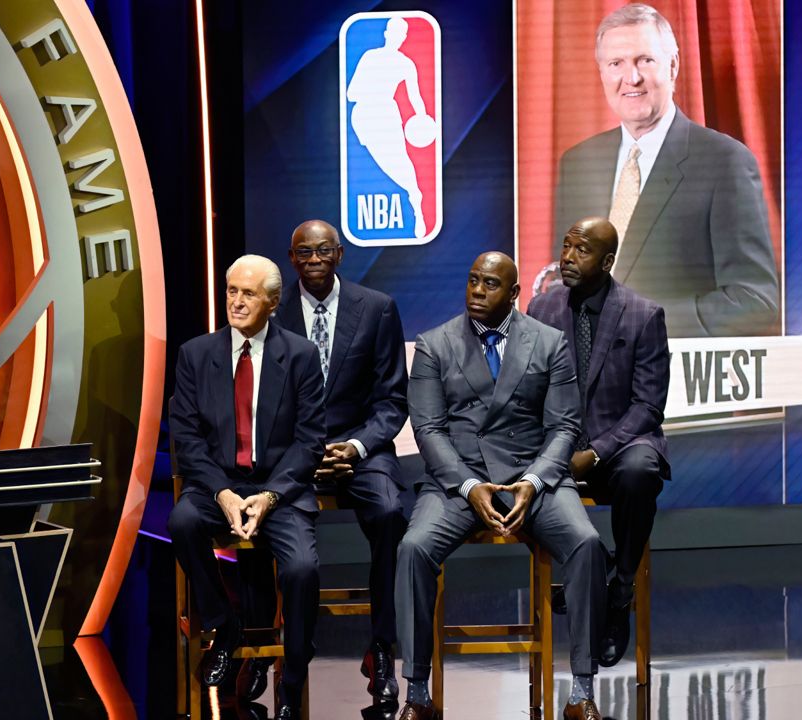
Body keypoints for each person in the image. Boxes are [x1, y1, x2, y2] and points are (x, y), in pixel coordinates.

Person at [395, 252, 607, 720]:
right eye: (472, 281)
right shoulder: (435, 344)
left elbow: (564, 427)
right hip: (460, 480)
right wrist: (470, 486)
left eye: (489, 284)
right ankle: (416, 693)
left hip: (534, 477)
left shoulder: (549, 343)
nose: (476, 290)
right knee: (413, 548)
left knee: (587, 543)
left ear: (513, 294)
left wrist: (533, 482)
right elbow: (428, 430)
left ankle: (581, 692)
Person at [244, 219, 408, 712]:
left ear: (339, 254)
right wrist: (303, 449)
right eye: (303, 254)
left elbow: (391, 400)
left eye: (323, 252)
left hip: (358, 447)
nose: (314, 261)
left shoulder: (376, 309)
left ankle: (381, 648)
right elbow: (258, 395)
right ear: (290, 260)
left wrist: (356, 447)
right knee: (253, 513)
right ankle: (257, 643)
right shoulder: (270, 311)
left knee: (389, 512)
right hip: (289, 448)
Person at [552, 3, 778, 337]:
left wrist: (640, 324)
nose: (632, 78)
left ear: (672, 66)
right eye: (616, 63)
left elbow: (756, 302)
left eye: (645, 60)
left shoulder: (725, 162)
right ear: (602, 72)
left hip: (677, 376)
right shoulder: (578, 163)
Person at [168, 255, 325, 718]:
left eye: (249, 293)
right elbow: (188, 438)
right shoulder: (196, 354)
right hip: (218, 485)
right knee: (182, 522)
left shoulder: (299, 355)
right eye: (232, 291)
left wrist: (271, 495)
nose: (236, 301)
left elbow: (310, 440)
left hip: (279, 488)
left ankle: (292, 678)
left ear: (273, 302)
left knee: (300, 569)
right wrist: (222, 492)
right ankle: (223, 626)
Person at [528, 217, 669, 667]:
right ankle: (587, 574)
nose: (567, 258)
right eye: (565, 247)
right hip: (560, 443)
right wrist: (556, 447)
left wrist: (597, 451)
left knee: (640, 471)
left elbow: (647, 406)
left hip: (620, 443)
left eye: (581, 251)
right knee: (524, 472)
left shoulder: (644, 314)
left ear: (607, 261)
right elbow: (528, 391)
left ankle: (621, 586)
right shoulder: (541, 310)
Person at [348, 16, 433, 238]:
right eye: (394, 32)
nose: (398, 37)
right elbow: (351, 93)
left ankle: (417, 203)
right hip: (365, 116)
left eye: (402, 34)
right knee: (384, 164)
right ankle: (413, 195)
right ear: (386, 34)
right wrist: (374, 90)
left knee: (402, 161)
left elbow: (416, 97)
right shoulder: (370, 57)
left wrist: (422, 118)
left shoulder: (406, 64)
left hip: (388, 116)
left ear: (404, 38)